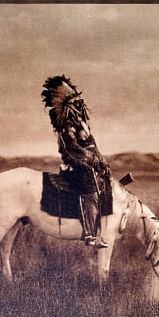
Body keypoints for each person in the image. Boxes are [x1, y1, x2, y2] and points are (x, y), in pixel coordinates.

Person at [41, 76, 110, 248]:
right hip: (76, 167)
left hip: (88, 163)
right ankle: (90, 234)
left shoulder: (81, 123)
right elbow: (70, 149)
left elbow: (91, 145)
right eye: (75, 101)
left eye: (79, 99)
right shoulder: (67, 126)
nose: (80, 103)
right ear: (68, 105)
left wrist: (101, 160)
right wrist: (92, 160)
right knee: (90, 190)